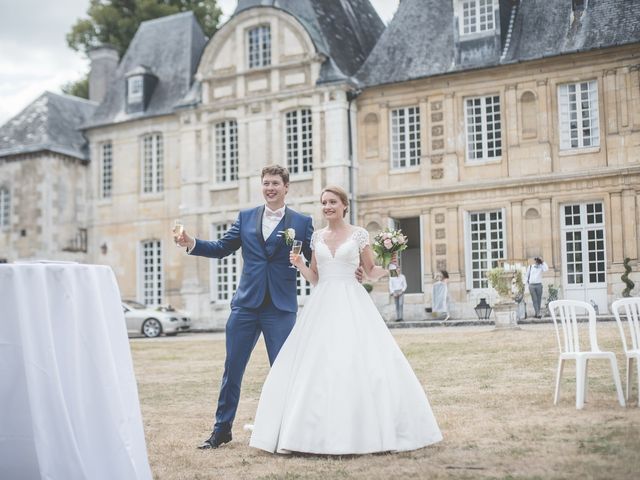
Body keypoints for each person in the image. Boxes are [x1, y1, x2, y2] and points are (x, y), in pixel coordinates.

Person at [249, 186, 442, 454]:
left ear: (344, 205)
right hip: (322, 301)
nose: (327, 206)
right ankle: (306, 434)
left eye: (332, 202)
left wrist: (391, 266)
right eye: (324, 203)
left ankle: (367, 430)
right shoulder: (316, 236)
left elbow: (371, 271)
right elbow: (316, 277)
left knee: (359, 360)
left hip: (352, 300)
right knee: (316, 363)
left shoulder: (359, 234)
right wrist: (300, 264)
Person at [175, 165, 315, 449]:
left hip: (280, 307)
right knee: (233, 369)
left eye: (275, 183)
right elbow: (222, 247)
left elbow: (314, 258)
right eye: (266, 183)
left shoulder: (302, 221)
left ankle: (289, 430)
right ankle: (221, 429)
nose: (270, 188)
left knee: (284, 370)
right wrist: (192, 243)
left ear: (286, 187)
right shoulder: (246, 217)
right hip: (246, 306)